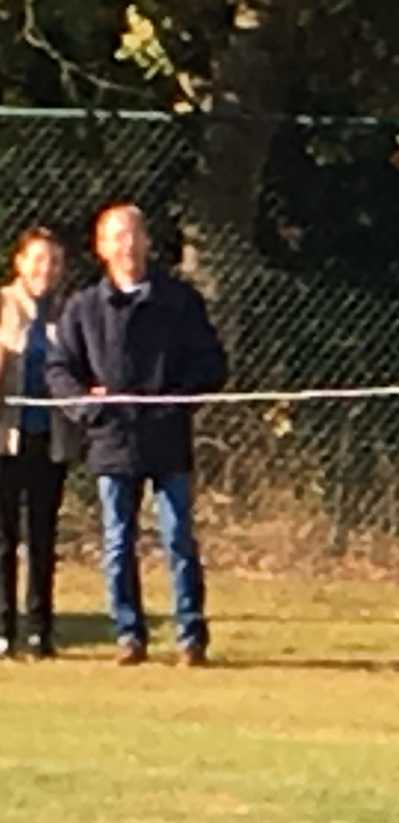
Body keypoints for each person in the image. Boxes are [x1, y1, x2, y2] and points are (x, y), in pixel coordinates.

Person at [49, 201, 225, 667]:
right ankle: (129, 635)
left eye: (133, 235)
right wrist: (87, 406)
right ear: (101, 247)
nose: (126, 246)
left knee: (178, 537)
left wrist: (177, 401)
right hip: (111, 441)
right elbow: (60, 369)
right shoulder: (83, 308)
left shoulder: (179, 302)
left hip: (167, 439)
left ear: (146, 242)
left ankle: (190, 635)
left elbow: (210, 362)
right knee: (117, 541)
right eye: (116, 237)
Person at [0, 224, 74, 659]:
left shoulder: (68, 313)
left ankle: (40, 630)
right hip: (6, 438)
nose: (46, 269)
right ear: (20, 263)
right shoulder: (3, 305)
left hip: (50, 438)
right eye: (38, 259)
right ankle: (3, 628)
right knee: (4, 537)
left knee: (43, 535)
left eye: (55, 261)